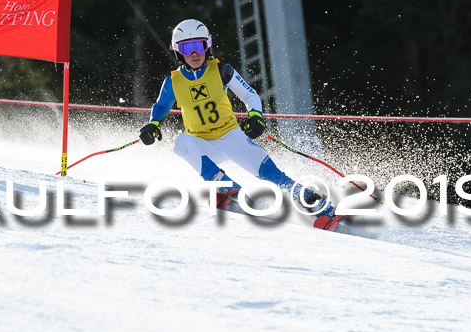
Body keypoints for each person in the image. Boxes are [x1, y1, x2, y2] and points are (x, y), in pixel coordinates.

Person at [139, 19, 338, 227]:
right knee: (181, 143)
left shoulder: (222, 70)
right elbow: (161, 107)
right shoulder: (173, 82)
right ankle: (224, 186)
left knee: (275, 177)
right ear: (178, 52)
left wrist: (255, 116)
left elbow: (250, 95)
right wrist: (153, 124)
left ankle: (322, 207)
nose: (194, 54)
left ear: (208, 46)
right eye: (187, 48)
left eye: (198, 46)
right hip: (203, 144)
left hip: (232, 137)